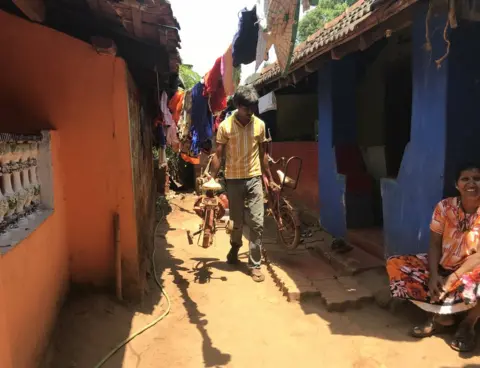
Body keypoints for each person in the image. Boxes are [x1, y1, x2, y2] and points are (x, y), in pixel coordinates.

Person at [387, 163, 480, 352]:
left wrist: (451, 280)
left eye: (477, 178)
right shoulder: (445, 207)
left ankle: (468, 325)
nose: (471, 183)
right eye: (465, 179)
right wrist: (434, 274)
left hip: (470, 270)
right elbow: (434, 244)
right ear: (457, 184)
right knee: (396, 264)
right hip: (444, 264)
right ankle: (440, 317)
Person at [209, 85, 276, 282]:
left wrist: (269, 178)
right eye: (247, 108)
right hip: (233, 179)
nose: (251, 112)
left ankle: (255, 264)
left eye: (253, 108)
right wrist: (211, 178)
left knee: (257, 221)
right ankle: (235, 247)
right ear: (238, 106)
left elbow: (264, 155)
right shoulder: (225, 127)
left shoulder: (260, 125)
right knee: (237, 222)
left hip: (254, 178)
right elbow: (218, 155)